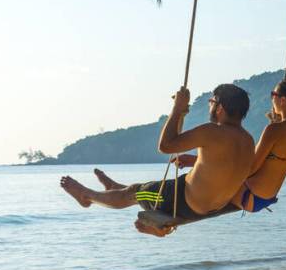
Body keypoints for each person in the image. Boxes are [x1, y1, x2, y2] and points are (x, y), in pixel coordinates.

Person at [59, 84, 255, 237]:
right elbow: (225, 167)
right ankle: (113, 188)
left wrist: (177, 109)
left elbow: (166, 146)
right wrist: (195, 160)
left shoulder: (212, 132)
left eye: (211, 102)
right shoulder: (247, 140)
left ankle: (87, 197)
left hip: (185, 202)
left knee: (134, 193)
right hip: (213, 204)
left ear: (220, 107)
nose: (210, 106)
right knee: (144, 190)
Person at [231, 78, 286, 212]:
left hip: (249, 195)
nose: (272, 99)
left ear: (283, 100)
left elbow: (252, 168)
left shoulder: (274, 130)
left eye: (273, 95)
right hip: (268, 197)